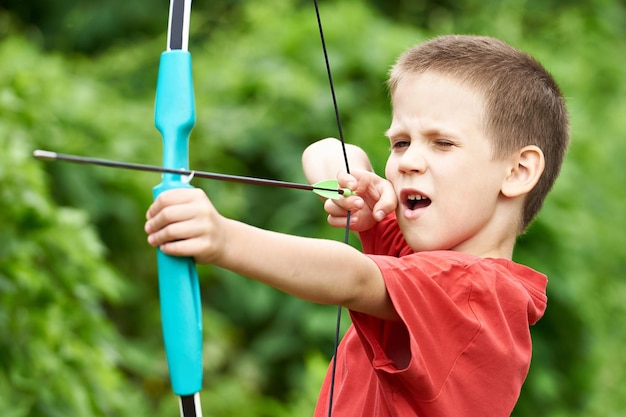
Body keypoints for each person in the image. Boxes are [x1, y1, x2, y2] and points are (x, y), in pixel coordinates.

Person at [145, 35, 569, 416]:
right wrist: (349, 184)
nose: (407, 161)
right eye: (400, 142)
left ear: (517, 171)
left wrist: (223, 238)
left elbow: (354, 277)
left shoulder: (478, 296)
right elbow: (329, 149)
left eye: (442, 143)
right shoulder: (418, 255)